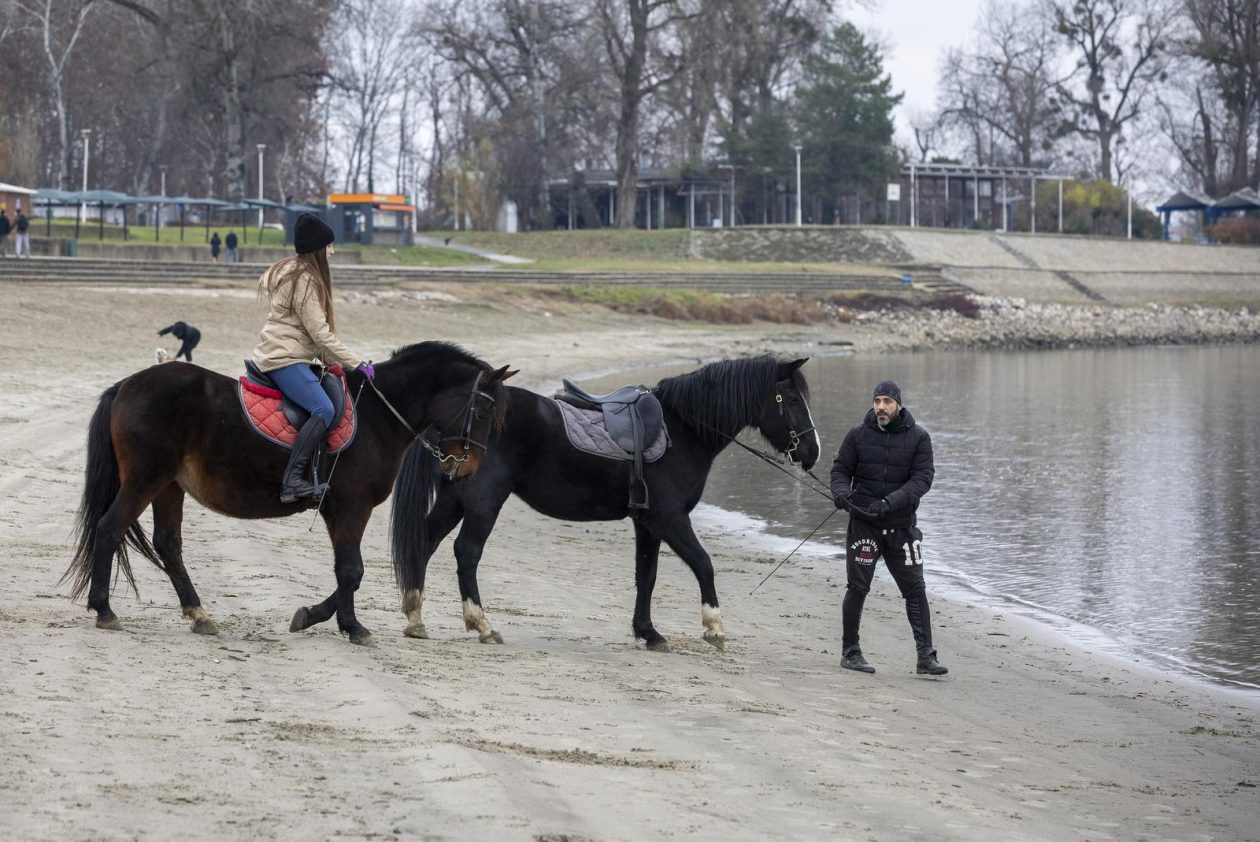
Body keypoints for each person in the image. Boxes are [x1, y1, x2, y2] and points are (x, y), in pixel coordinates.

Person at [252, 212, 374, 503]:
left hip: (290, 352)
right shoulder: (304, 279)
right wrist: (357, 362)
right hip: (284, 358)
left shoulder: (297, 273)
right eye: (328, 245)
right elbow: (320, 334)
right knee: (323, 409)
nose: (332, 250)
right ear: (317, 248)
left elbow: (308, 334)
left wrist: (334, 362)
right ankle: (292, 480)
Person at [830, 380, 947, 676]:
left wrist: (889, 502)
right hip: (864, 527)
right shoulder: (857, 436)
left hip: (901, 528)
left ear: (898, 405)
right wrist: (841, 492)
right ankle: (851, 652)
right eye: (877, 401)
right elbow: (840, 470)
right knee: (858, 588)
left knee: (915, 590)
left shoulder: (920, 438)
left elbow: (923, 479)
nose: (880, 406)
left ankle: (926, 656)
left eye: (887, 401)